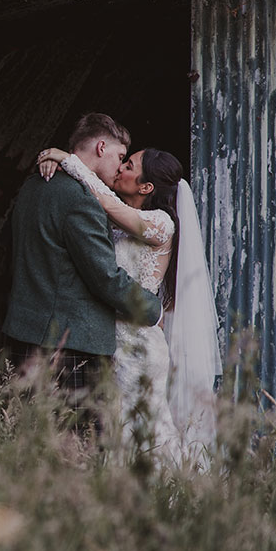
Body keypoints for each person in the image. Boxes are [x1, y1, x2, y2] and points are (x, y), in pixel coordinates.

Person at [37, 143, 222, 462]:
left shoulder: (162, 223)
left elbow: (108, 205)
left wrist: (70, 161)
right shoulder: (121, 223)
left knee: (145, 431)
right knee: (117, 429)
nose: (120, 168)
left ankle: (168, 500)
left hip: (139, 346)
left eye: (129, 166)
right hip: (114, 343)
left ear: (146, 186)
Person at [3, 113, 162, 431]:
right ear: (102, 147)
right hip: (69, 346)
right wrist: (151, 308)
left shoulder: (33, 185)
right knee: (78, 451)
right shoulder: (80, 200)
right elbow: (104, 277)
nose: (120, 166)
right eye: (120, 156)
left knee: (30, 447)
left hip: (24, 336)